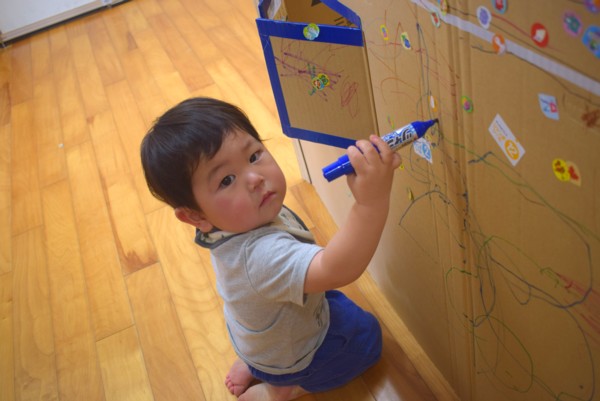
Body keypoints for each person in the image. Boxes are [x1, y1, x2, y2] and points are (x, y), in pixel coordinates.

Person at [140, 97, 401, 401]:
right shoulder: (259, 257)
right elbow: (336, 269)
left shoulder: (231, 220)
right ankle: (282, 388)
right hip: (293, 355)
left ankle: (255, 363)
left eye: (253, 156)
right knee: (369, 339)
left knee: (327, 306)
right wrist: (370, 203)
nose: (254, 178)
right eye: (226, 180)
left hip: (257, 332)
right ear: (195, 217)